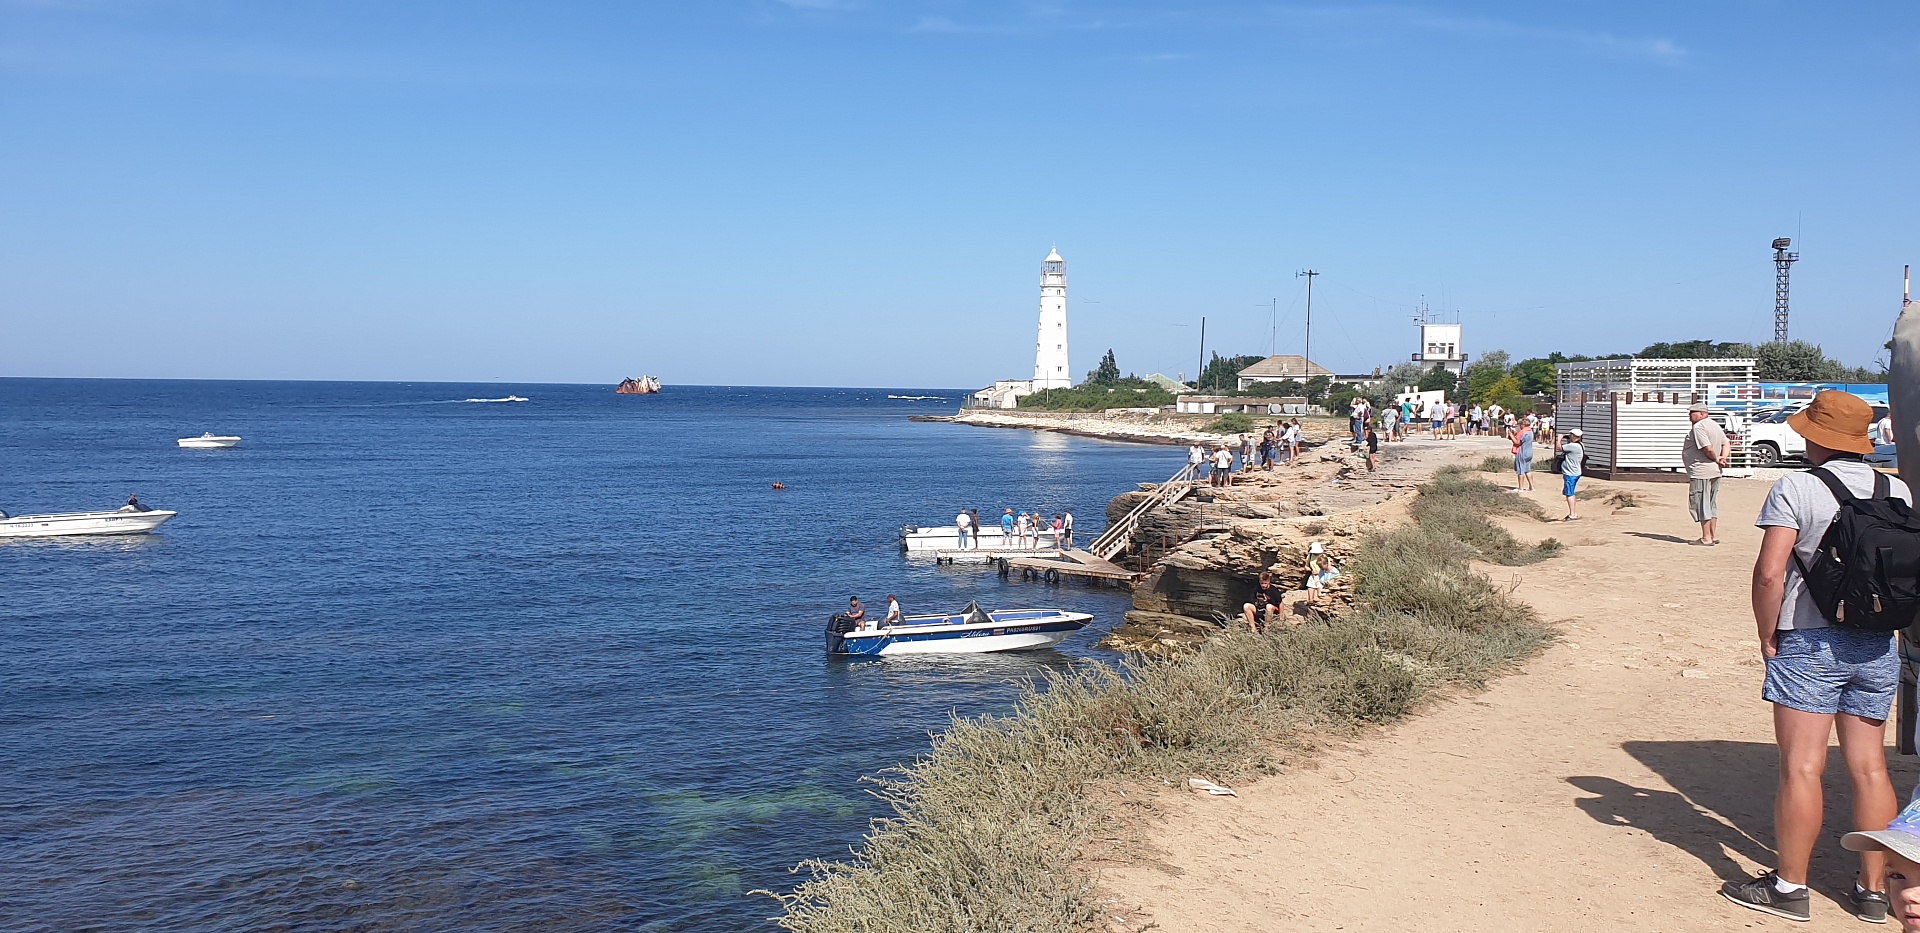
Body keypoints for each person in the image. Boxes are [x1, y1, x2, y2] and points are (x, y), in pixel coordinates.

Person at [1721, 391, 1911, 924]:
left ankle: (1789, 888)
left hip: (1808, 640)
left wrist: (1767, 635)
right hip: (1876, 641)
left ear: (1815, 436)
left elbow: (1769, 572)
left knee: (1802, 767)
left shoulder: (1796, 487)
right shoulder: (1894, 488)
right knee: (1871, 768)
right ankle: (1874, 890)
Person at [1683, 403, 1731, 546]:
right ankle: (1711, 535)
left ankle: (1706, 538)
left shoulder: (1699, 427)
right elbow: (1726, 442)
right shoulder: (1714, 425)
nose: (1689, 415)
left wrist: (1717, 458)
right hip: (1714, 470)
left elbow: (1707, 448)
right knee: (1710, 503)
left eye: (1693, 412)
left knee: (1701, 503)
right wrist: (1723, 457)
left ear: (1702, 414)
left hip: (1702, 471)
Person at [1560, 429, 1585, 520]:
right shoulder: (1580, 445)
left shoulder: (1573, 446)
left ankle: (1572, 514)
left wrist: (1559, 438)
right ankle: (1573, 513)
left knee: (1569, 494)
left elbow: (1560, 448)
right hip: (1575, 471)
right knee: (1571, 493)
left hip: (1571, 473)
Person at [1303, 541, 1328, 606]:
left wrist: (1319, 571)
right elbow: (1306, 565)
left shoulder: (1324, 557)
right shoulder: (1310, 556)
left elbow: (1327, 567)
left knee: (1319, 586)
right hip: (1313, 574)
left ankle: (1318, 600)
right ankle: (1310, 600)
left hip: (1322, 575)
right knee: (1310, 585)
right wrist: (1308, 569)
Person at [1512, 420, 1535, 491]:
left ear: (1523, 425)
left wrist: (1510, 434)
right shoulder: (1530, 432)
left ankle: (1520, 487)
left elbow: (1517, 442)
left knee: (1520, 470)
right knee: (1527, 470)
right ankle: (1531, 487)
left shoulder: (1524, 433)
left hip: (1522, 452)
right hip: (1529, 452)